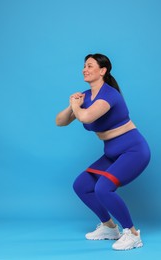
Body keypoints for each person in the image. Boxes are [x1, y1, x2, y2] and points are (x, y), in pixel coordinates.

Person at [56, 53, 151, 250]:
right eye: (84, 66)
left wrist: (77, 107)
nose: (85, 69)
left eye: (90, 66)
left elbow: (87, 117)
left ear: (103, 71)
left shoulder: (109, 95)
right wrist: (70, 106)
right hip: (112, 154)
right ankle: (109, 228)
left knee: (103, 188)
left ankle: (132, 234)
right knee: (81, 185)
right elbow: (60, 122)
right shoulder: (86, 96)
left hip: (134, 151)